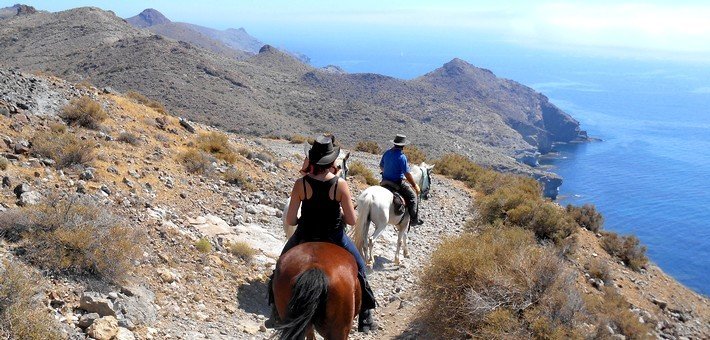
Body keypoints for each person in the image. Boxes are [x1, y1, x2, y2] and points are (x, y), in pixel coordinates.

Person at [266, 135, 377, 332]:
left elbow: (290, 220)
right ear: (332, 161)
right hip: (334, 236)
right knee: (360, 268)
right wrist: (341, 213)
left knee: (280, 267)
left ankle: (275, 309)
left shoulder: (301, 184)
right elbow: (352, 220)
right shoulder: (339, 184)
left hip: (304, 235)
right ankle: (366, 314)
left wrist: (303, 219)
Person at [379, 134, 423, 226]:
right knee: (413, 196)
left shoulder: (387, 153)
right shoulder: (402, 157)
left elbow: (381, 166)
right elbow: (407, 174)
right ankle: (414, 220)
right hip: (397, 182)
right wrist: (415, 185)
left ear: (394, 143)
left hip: (384, 181)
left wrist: (388, 171)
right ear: (403, 145)